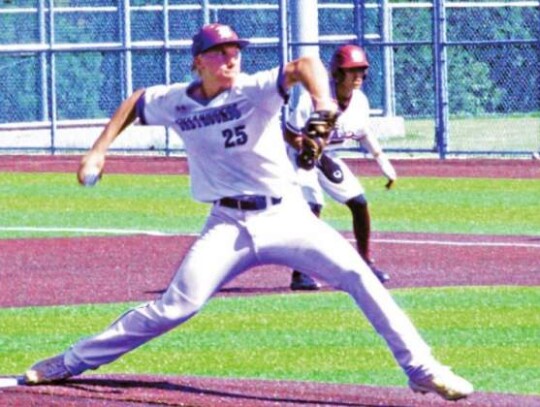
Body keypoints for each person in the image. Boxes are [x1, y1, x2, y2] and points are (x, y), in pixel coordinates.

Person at [23, 23, 473, 401]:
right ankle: (71, 361)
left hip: (288, 217)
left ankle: (422, 369)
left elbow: (306, 66)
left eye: (235, 50)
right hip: (228, 224)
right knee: (176, 307)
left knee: (359, 276)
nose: (231, 58)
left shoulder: (256, 90)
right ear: (197, 61)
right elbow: (137, 103)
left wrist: (323, 105)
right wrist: (98, 152)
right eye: (219, 53)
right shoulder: (178, 100)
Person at [286, 44, 397, 291]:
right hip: (298, 157)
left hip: (326, 154)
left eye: (361, 70)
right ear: (337, 73)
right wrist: (309, 149)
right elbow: (289, 133)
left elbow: (363, 131)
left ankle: (365, 264)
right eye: (352, 70)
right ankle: (299, 273)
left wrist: (383, 161)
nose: (358, 76)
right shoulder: (315, 99)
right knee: (312, 206)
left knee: (359, 203)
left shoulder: (359, 101)